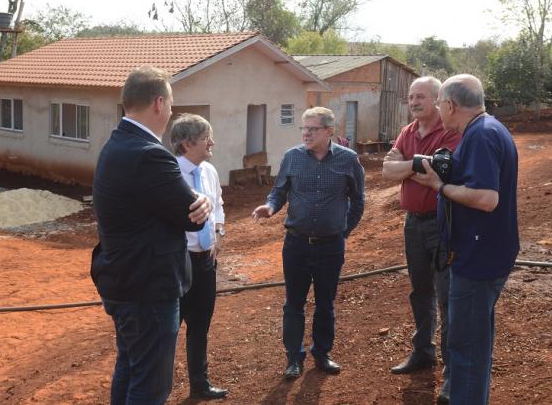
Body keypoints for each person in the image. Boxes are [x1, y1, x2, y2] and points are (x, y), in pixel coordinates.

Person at [91, 65, 213, 405]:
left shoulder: (117, 144)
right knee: (151, 386)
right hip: (147, 288)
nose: (171, 111)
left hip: (124, 279)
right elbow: (191, 217)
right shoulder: (150, 154)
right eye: (171, 103)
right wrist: (201, 202)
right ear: (159, 103)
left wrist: (193, 201)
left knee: (130, 367)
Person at [410, 74, 519, 405]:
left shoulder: (480, 135)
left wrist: (440, 187)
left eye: (439, 104)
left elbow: (486, 198)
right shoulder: (488, 128)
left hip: (477, 258)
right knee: (476, 342)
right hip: (485, 252)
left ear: (450, 105)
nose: (439, 110)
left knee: (466, 348)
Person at [252, 107, 365, 380]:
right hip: (297, 244)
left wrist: (343, 231)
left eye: (312, 129)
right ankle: (293, 357)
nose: (306, 134)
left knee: (325, 303)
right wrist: (270, 207)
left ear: (329, 131)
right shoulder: (292, 157)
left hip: (331, 246)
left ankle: (322, 353)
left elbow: (358, 200)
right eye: (304, 128)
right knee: (293, 303)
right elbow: (279, 192)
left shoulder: (348, 160)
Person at [382, 76, 461, 401]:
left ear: (438, 100)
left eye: (421, 97)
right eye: (411, 97)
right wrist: (419, 165)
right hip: (412, 224)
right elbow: (386, 170)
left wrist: (405, 166)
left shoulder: (451, 131)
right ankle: (423, 351)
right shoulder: (408, 131)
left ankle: (452, 373)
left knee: (446, 296)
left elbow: (442, 172)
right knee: (420, 291)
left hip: (442, 224)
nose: (414, 102)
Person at [170, 114, 228, 400]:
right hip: (178, 263)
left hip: (205, 261)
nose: (212, 143)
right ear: (188, 143)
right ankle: (157, 390)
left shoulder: (209, 171)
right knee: (168, 329)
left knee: (200, 325)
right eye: (207, 138)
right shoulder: (169, 175)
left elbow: (217, 205)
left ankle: (200, 385)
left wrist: (219, 232)